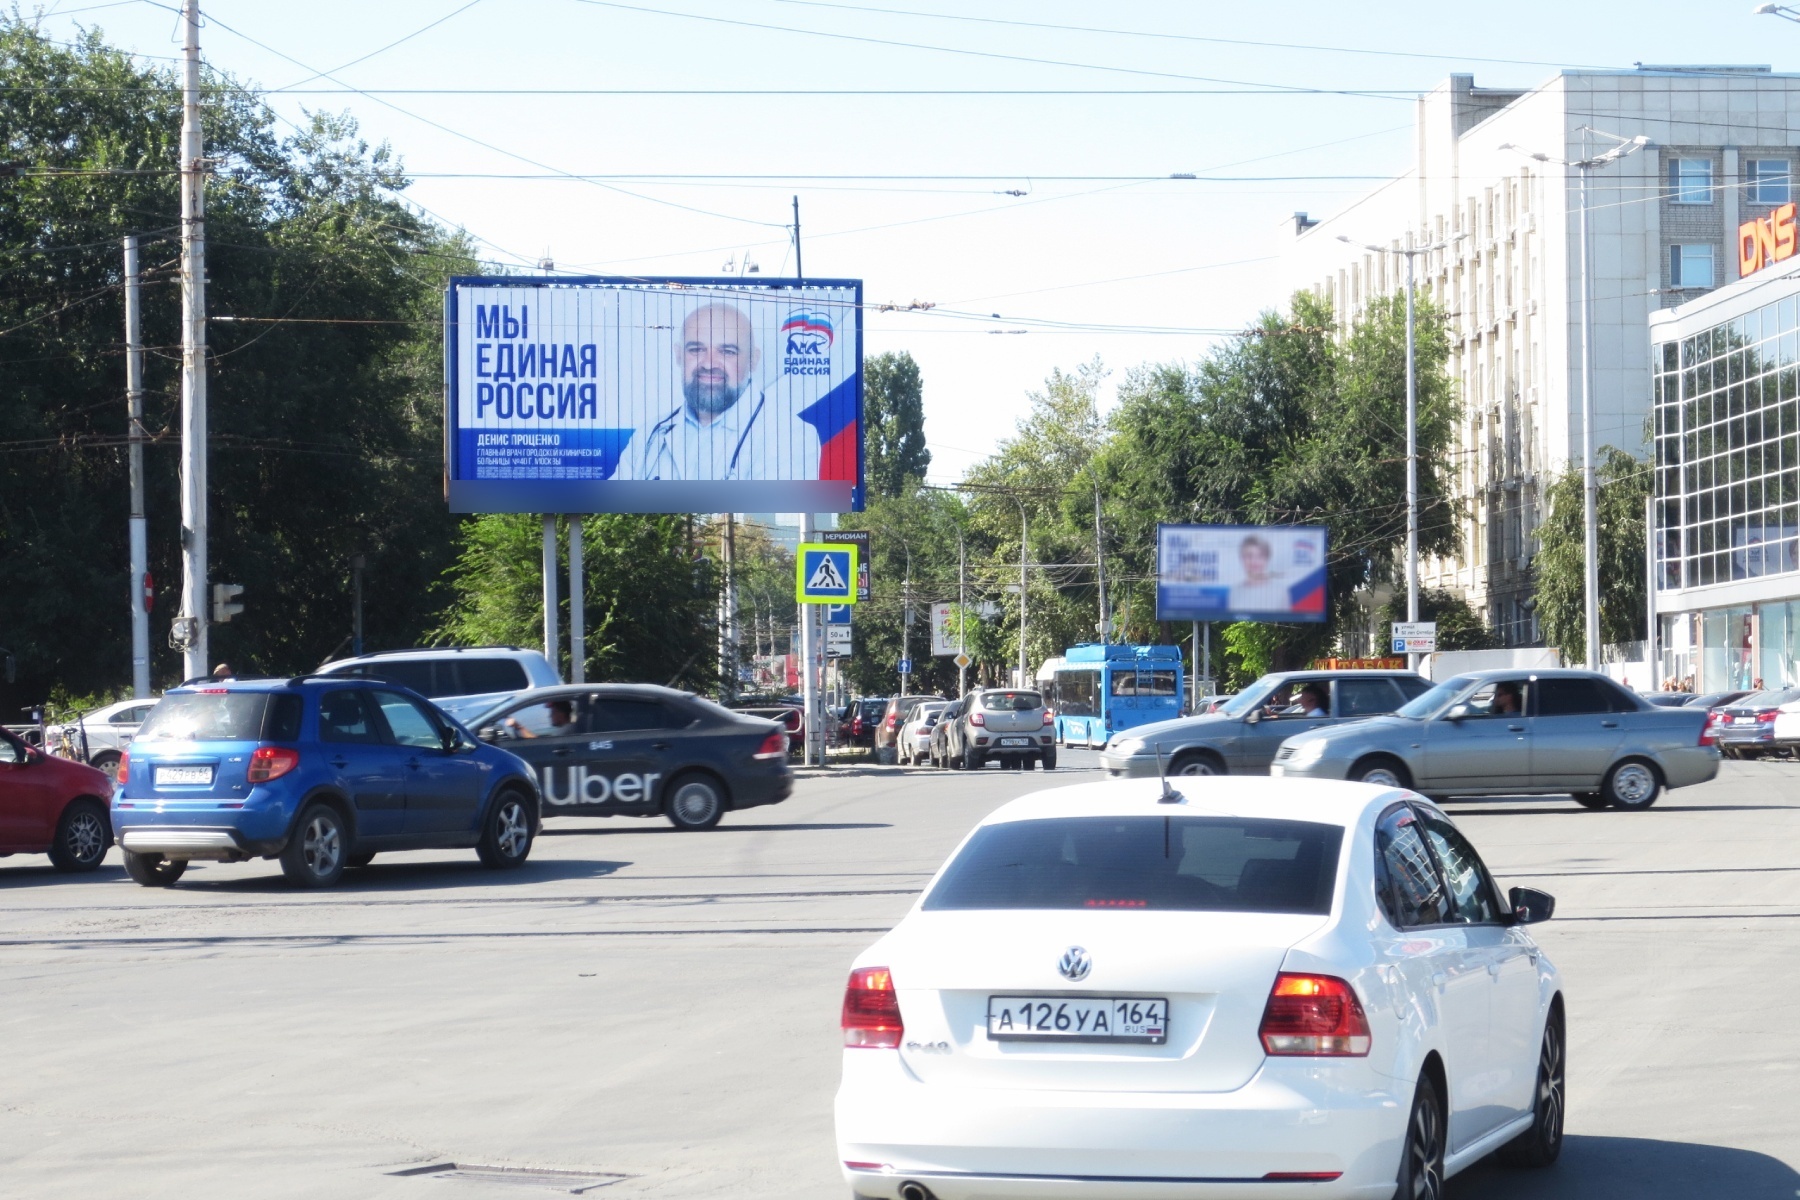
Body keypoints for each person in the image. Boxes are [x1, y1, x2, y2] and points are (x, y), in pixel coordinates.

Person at [622, 302, 822, 481]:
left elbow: (771, 519)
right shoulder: (649, 435)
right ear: (678, 355)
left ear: (753, 360)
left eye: (727, 352)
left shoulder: (789, 435)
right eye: (696, 349)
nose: (709, 364)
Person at [1227, 534, 1290, 612]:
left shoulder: (1279, 591)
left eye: (1260, 556)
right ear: (1242, 558)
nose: (1254, 561)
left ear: (1267, 558)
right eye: (1249, 556)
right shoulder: (1235, 591)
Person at [506, 699, 574, 739]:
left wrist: (518, 727)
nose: (550, 716)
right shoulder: (567, 729)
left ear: (561, 714)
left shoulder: (565, 731)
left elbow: (539, 743)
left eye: (553, 713)